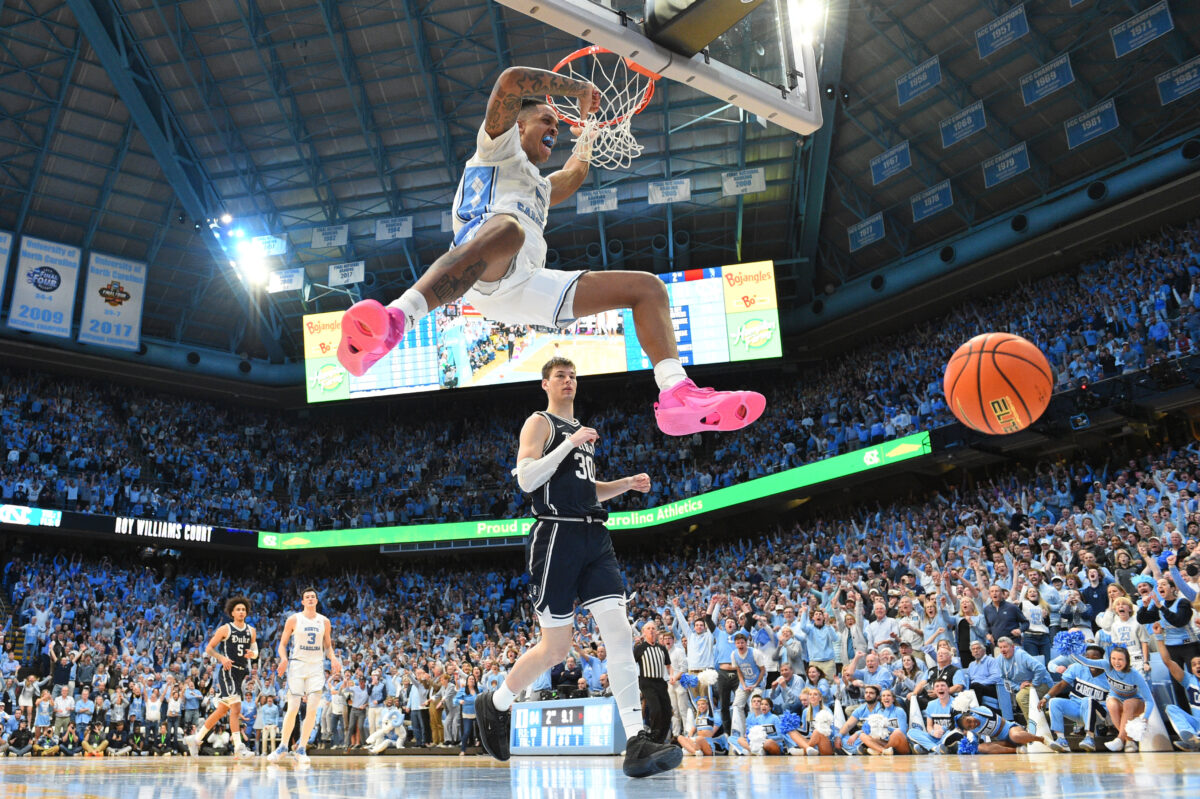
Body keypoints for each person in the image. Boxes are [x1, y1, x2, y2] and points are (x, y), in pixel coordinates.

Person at [334, 67, 764, 437]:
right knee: (510, 230)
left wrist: (590, 132)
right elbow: (510, 82)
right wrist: (576, 92)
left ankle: (676, 395)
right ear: (517, 126)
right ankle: (396, 320)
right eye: (546, 121)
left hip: (526, 287)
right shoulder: (497, 147)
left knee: (647, 289)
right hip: (481, 268)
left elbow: (573, 175)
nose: (554, 129)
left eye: (557, 126)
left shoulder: (539, 186)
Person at [474, 357, 682, 779]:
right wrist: (570, 445)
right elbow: (527, 480)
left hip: (594, 537)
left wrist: (624, 484)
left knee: (620, 634)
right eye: (560, 376)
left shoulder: (580, 432)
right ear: (545, 384)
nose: (568, 381)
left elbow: (586, 491)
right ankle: (495, 704)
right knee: (554, 649)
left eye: (573, 376)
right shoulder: (540, 423)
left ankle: (636, 739)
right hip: (556, 537)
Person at [268, 587, 343, 766]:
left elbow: (328, 646)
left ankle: (301, 748)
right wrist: (283, 658)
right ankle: (283, 747)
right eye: (307, 597)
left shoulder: (324, 621)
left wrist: (333, 659)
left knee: (312, 710)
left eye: (313, 597)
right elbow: (282, 644)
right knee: (293, 708)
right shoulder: (294, 619)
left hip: (316, 667)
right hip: (297, 665)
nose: (310, 599)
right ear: (302, 601)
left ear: (316, 601)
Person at [184, 596, 257, 759]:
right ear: (232, 612)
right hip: (227, 672)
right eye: (238, 609)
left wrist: (254, 654)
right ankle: (239, 747)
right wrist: (221, 658)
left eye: (243, 609)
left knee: (222, 710)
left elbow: (255, 650)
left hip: (241, 673)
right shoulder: (225, 629)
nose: (241, 611)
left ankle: (196, 739)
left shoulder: (251, 631)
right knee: (236, 708)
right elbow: (209, 648)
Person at [1072, 645, 1155, 752]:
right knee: (1111, 703)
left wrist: (1146, 718)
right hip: (1117, 700)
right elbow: (1085, 662)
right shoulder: (1106, 665)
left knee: (1128, 703)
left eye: (1120, 659)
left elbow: (1149, 700)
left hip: (1135, 703)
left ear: (1127, 661)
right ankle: (1129, 742)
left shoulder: (1134, 675)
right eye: (1113, 659)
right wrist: (1071, 651)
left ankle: (1120, 739)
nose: (1116, 662)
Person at [1041, 641, 1110, 753]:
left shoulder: (1109, 675)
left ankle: (1090, 738)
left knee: (1087, 700)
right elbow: (1061, 685)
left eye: (1095, 658)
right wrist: (1046, 698)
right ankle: (1061, 740)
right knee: (1054, 702)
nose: (1091, 661)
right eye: (1087, 657)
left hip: (1099, 715)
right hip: (1077, 709)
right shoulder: (1077, 668)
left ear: (1102, 659)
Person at [1151, 622, 1200, 750]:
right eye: (1194, 665)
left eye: (1199, 663)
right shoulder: (1189, 680)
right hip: (1197, 724)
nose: (1197, 666)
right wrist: (1159, 637)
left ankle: (1193, 742)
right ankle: (1192, 738)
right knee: (1171, 708)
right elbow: (1168, 662)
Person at [633, 621, 672, 743]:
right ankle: (654, 737)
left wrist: (671, 675)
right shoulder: (639, 648)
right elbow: (631, 665)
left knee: (667, 710)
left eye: (653, 628)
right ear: (644, 632)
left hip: (660, 682)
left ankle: (661, 739)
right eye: (648, 628)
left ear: (656, 631)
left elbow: (669, 665)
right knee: (656, 710)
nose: (651, 630)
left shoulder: (662, 648)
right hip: (646, 682)